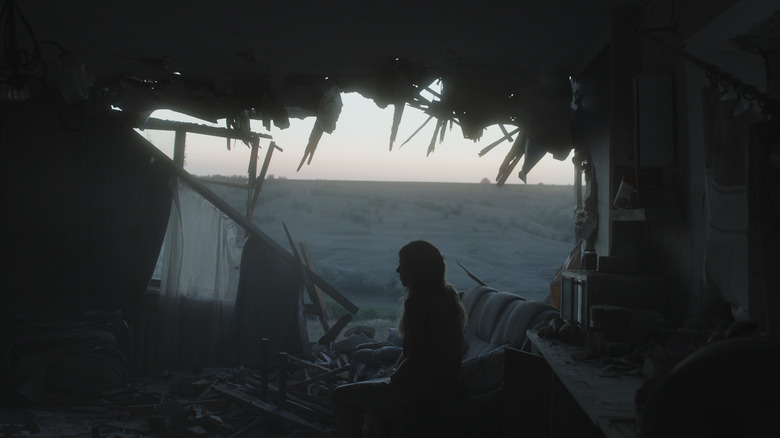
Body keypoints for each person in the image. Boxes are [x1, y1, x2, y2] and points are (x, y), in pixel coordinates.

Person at [330, 240, 467, 437]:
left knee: (339, 397)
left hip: (423, 392)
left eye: (402, 264)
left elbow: (416, 360)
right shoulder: (448, 297)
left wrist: (392, 379)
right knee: (376, 401)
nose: (397, 270)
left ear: (417, 268)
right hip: (445, 388)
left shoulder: (418, 302)